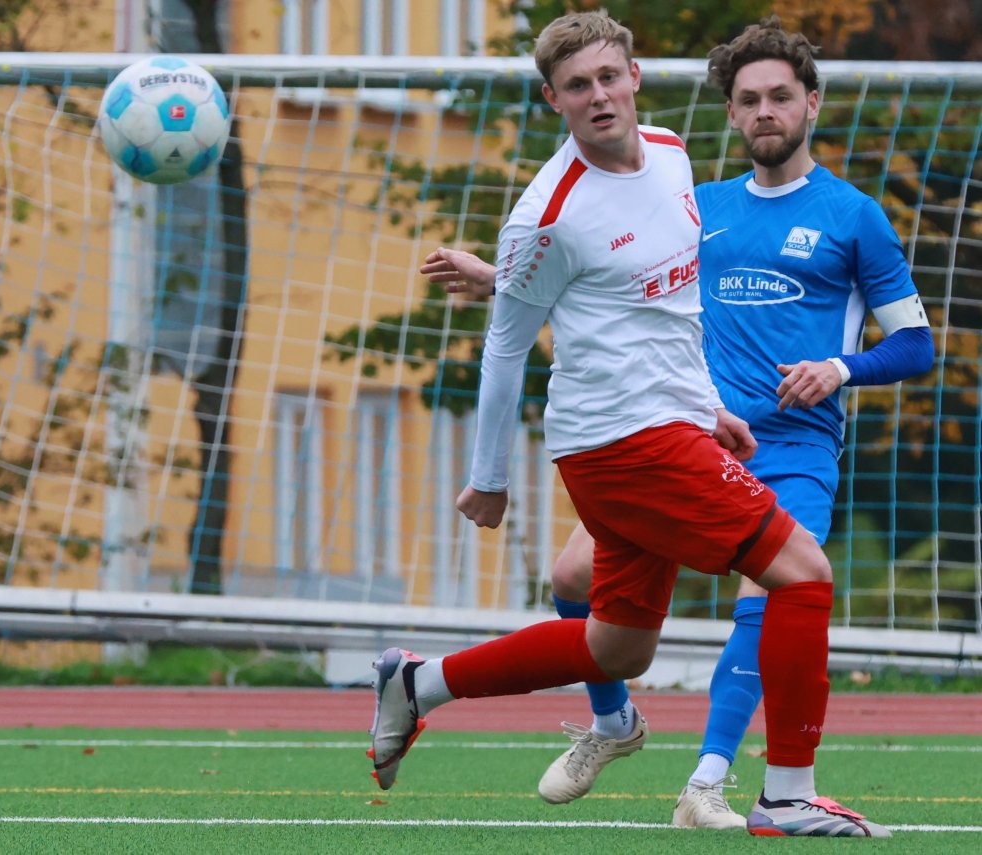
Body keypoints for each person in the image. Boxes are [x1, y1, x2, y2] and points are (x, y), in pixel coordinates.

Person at [368, 9, 895, 838]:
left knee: (618, 648)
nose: (599, 95)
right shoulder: (547, 214)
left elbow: (669, 311)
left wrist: (707, 406)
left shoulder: (674, 154)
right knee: (803, 569)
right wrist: (490, 477)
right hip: (619, 444)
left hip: (668, 424)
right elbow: (504, 348)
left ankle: (418, 683)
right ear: (554, 99)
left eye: (610, 76)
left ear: (635, 77)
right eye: (578, 86)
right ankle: (787, 792)